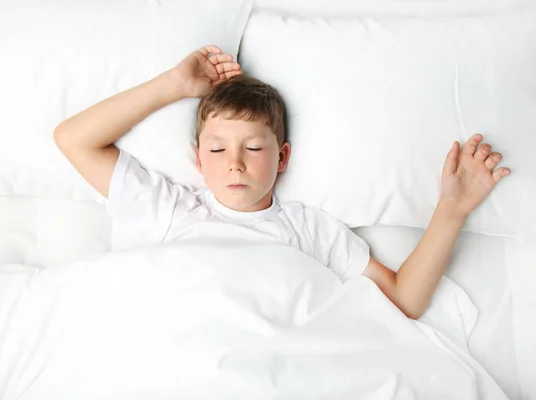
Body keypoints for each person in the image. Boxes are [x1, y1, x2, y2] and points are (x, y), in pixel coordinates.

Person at [54, 45, 511, 320]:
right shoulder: (170, 208)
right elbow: (73, 139)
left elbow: (404, 300)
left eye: (253, 148)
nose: (234, 164)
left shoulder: (308, 229)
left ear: (282, 157)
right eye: (217, 150)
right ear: (197, 160)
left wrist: (452, 210)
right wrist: (172, 85)